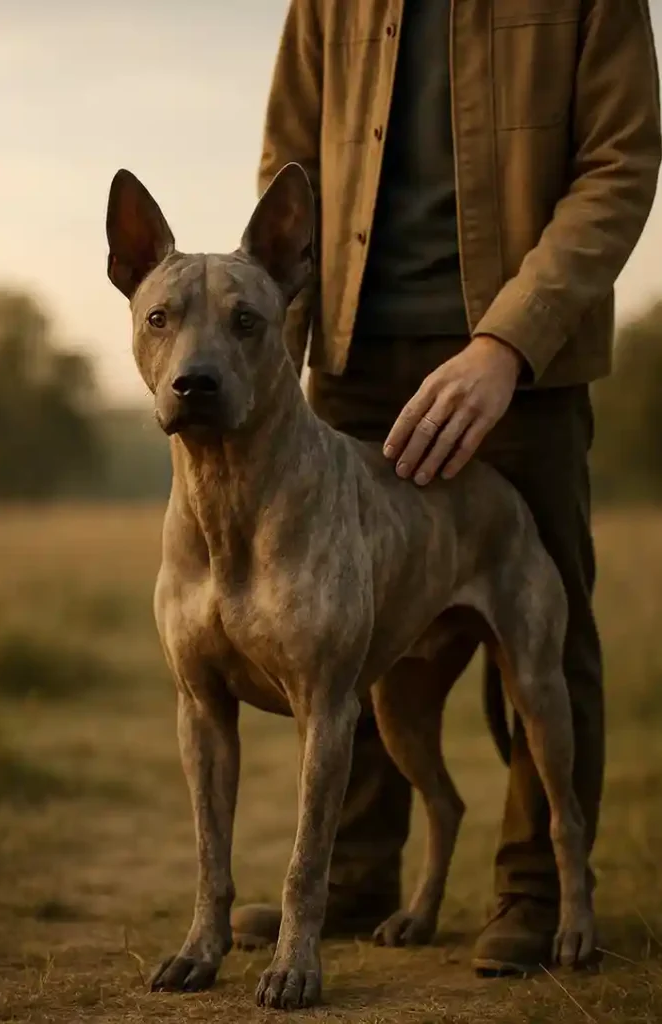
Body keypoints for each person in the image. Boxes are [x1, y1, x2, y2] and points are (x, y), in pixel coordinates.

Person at [231, 0, 661, 975]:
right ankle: (353, 873)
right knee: (344, 627)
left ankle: (535, 889)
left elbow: (619, 163)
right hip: (345, 361)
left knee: (542, 634)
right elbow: (286, 171)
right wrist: (274, 355)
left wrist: (508, 341)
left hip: (520, 366)